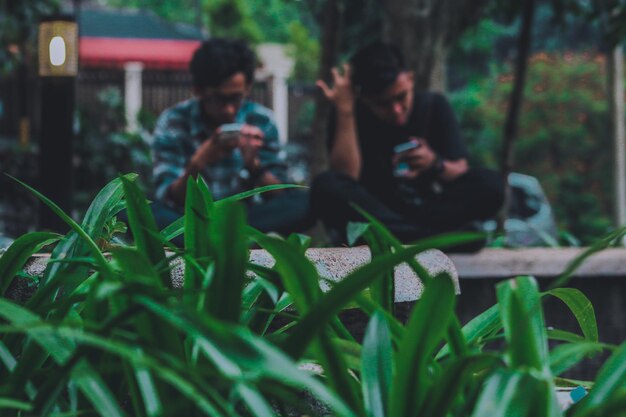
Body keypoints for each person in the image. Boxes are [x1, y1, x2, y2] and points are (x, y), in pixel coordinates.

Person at [311, 41, 504, 250]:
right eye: (383, 104)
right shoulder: (349, 115)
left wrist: (434, 164)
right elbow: (345, 178)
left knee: (491, 183)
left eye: (401, 97)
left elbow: (460, 170)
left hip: (426, 212)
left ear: (410, 79)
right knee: (326, 185)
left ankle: (405, 238)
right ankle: (429, 240)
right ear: (364, 99)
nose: (396, 110)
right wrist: (346, 111)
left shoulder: (433, 106)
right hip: (373, 215)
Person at [151, 38, 313, 239]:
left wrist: (254, 167)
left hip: (246, 220)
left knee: (305, 201)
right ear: (198, 90)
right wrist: (198, 162)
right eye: (219, 98)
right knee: (136, 210)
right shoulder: (174, 122)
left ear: (247, 87)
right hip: (188, 221)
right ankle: (226, 239)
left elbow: (281, 194)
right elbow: (167, 197)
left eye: (235, 98)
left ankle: (219, 238)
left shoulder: (261, 121)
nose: (228, 110)